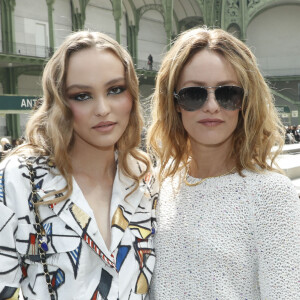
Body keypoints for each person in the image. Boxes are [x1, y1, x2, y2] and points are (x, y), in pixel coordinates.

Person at [0, 31, 158, 300]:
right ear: (60, 103)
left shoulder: (145, 181)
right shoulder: (18, 180)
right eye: (82, 95)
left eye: (115, 90)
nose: (102, 108)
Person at [148, 27, 300, 299]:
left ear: (245, 102)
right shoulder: (159, 186)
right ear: (175, 103)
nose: (211, 106)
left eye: (227, 93)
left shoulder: (272, 195)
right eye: (194, 94)